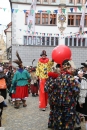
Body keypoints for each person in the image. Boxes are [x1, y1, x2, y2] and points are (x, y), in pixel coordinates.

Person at [45, 59, 80, 130]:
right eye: (71, 68)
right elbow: (76, 90)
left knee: (59, 119)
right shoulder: (71, 79)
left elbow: (53, 89)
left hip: (59, 102)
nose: (73, 69)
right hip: (69, 104)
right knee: (68, 121)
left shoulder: (58, 77)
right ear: (68, 68)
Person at [76, 60, 87, 130]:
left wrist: (81, 102)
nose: (84, 68)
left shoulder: (85, 78)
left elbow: (83, 90)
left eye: (84, 66)